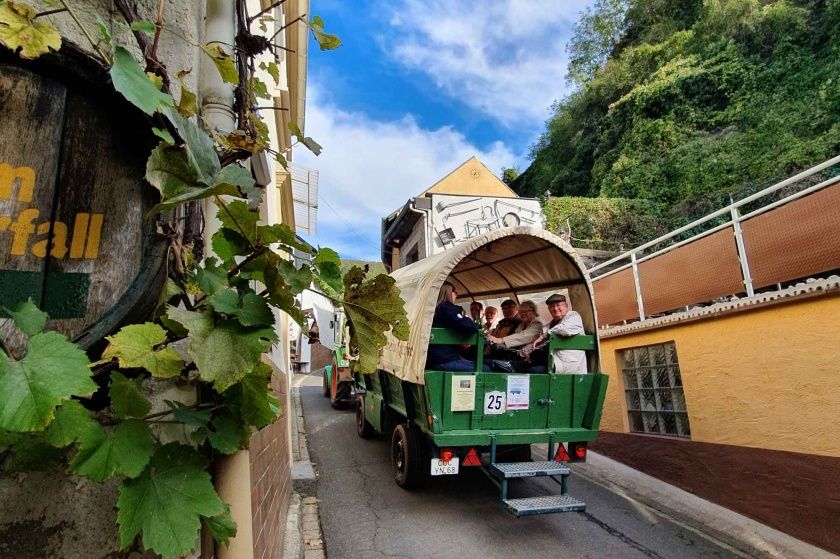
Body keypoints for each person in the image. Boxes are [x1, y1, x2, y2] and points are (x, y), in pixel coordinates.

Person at [425, 282, 479, 371]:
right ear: (449, 293)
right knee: (487, 368)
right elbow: (471, 327)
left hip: (430, 359)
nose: (456, 295)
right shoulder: (446, 308)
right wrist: (466, 318)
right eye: (455, 293)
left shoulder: (432, 309)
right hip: (443, 360)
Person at [527, 293, 586, 374]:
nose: (555, 308)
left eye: (558, 305)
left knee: (534, 371)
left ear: (566, 306)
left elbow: (564, 329)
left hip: (569, 364)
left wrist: (544, 335)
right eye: (552, 306)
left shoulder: (573, 316)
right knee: (525, 367)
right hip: (553, 362)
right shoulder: (547, 326)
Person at [486, 300, 544, 364]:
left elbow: (522, 336)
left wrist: (501, 340)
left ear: (534, 311)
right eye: (521, 312)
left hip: (528, 359)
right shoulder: (521, 324)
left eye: (525, 311)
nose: (523, 314)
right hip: (516, 357)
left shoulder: (537, 324)